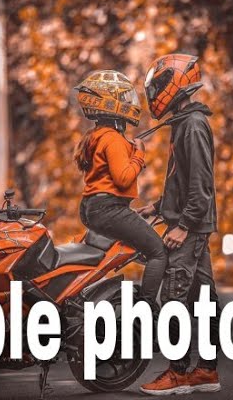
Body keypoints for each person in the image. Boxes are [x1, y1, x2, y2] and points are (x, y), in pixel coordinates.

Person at [136, 54, 220, 395]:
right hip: (192, 223)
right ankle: (207, 371)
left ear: (176, 84)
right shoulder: (185, 123)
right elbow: (182, 181)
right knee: (204, 298)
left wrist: (183, 224)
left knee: (174, 299)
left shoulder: (194, 125)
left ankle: (179, 373)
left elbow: (201, 186)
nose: (155, 93)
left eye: (158, 86)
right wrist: (158, 207)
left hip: (191, 228)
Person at [72, 70, 166, 306]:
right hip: (108, 209)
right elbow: (123, 179)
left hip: (93, 207)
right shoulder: (112, 138)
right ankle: (147, 309)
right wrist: (139, 156)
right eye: (124, 98)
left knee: (141, 246)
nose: (129, 103)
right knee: (158, 252)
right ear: (112, 104)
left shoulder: (96, 135)